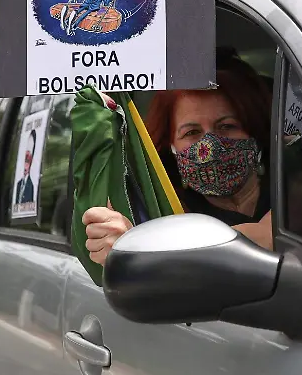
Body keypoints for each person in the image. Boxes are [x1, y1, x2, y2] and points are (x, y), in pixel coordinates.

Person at [83, 54, 273, 265]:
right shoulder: (161, 213)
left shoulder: (292, 189)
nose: (209, 146)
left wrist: (140, 247)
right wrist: (120, 246)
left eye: (227, 126)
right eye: (192, 132)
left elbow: (271, 235)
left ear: (255, 130)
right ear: (170, 144)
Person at [14, 130, 37, 206]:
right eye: (24, 158)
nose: (25, 164)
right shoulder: (18, 185)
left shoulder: (32, 187)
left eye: (28, 159)